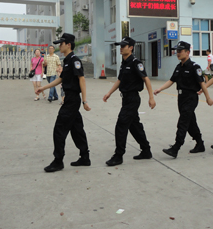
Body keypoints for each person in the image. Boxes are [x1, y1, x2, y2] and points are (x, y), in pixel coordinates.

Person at [36, 33, 91, 172]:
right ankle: (85, 157)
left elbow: (82, 80)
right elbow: (61, 79)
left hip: (73, 100)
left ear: (68, 45)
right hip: (70, 98)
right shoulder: (66, 60)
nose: (59, 46)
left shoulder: (74, 60)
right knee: (77, 129)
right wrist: (44, 87)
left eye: (61, 43)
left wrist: (84, 101)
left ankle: (58, 161)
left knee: (59, 129)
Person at [154, 41, 213, 158]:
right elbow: (171, 80)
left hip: (191, 98)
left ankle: (176, 147)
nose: (177, 53)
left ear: (187, 52)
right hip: (181, 98)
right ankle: (200, 144)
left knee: (183, 122)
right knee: (190, 122)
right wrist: (160, 89)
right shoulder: (178, 67)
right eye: (177, 51)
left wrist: (208, 98)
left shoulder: (194, 67)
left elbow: (202, 83)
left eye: (180, 51)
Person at [103, 37, 156, 166]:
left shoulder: (135, 62)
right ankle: (146, 150)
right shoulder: (124, 63)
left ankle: (118, 155)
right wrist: (109, 93)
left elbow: (146, 79)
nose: (121, 48)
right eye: (120, 46)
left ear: (131, 48)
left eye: (124, 46)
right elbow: (120, 80)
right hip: (126, 98)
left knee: (121, 125)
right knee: (134, 126)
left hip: (133, 98)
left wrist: (151, 97)